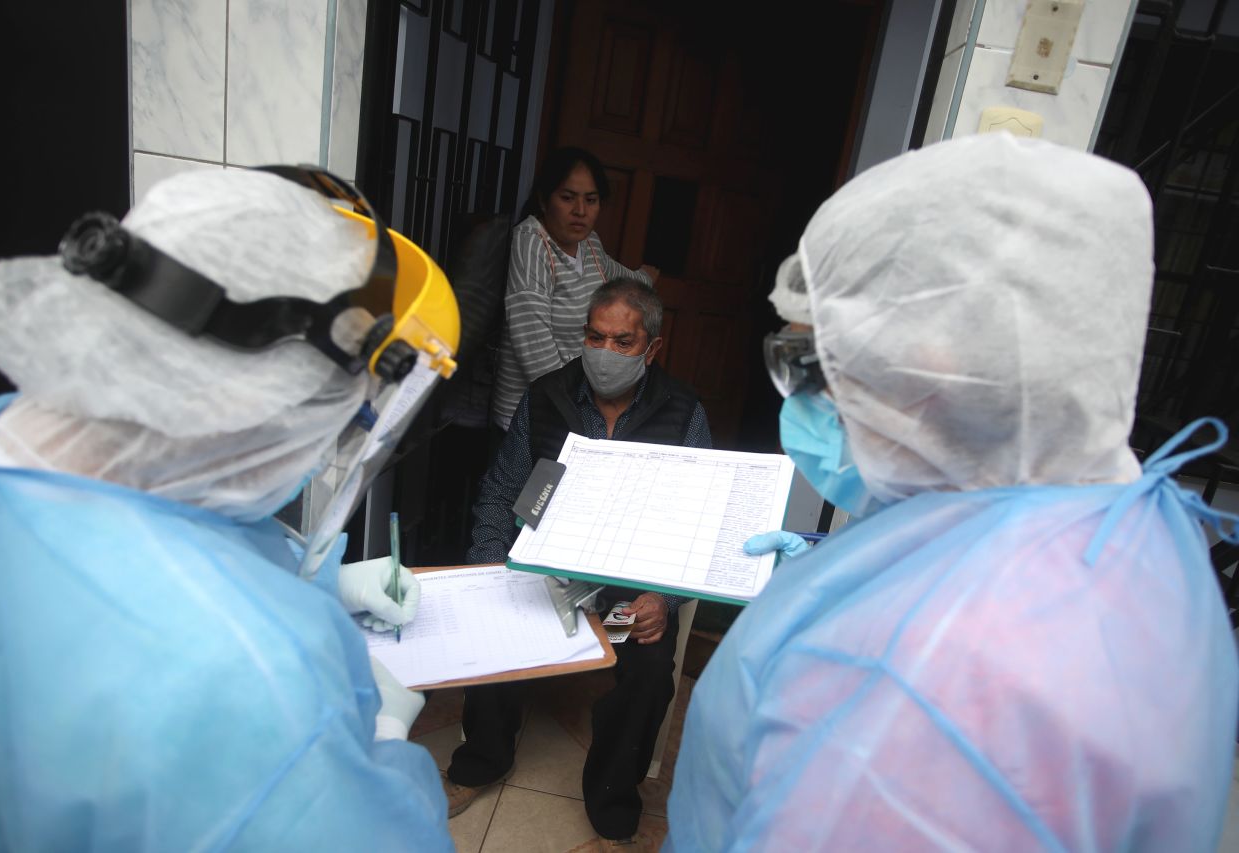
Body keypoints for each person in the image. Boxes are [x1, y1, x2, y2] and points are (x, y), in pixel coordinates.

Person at [666, 133, 1239, 851]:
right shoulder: (1136, 516)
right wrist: (850, 577)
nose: (806, 399)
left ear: (939, 371)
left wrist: (862, 631)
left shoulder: (918, 696)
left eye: (814, 362)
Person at [0, 168, 454, 851]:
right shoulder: (256, 688)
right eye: (337, 417)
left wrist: (328, 582)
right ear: (247, 402)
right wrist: (381, 742)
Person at [446, 278, 709, 845]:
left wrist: (661, 599)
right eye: (595, 337)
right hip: (547, 573)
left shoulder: (683, 411)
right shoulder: (546, 398)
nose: (605, 353)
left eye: (623, 342)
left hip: (624, 591)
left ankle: (613, 792)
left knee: (646, 669)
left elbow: (695, 526)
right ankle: (483, 758)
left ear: (652, 347)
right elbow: (501, 493)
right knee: (495, 629)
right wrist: (493, 570)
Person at [491, 146, 659, 432]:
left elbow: (618, 276)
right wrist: (581, 410)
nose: (580, 211)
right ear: (544, 200)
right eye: (567, 198)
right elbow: (534, 349)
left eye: (591, 200)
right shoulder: (532, 242)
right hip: (530, 418)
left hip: (574, 411)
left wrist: (645, 277)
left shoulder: (590, 244)